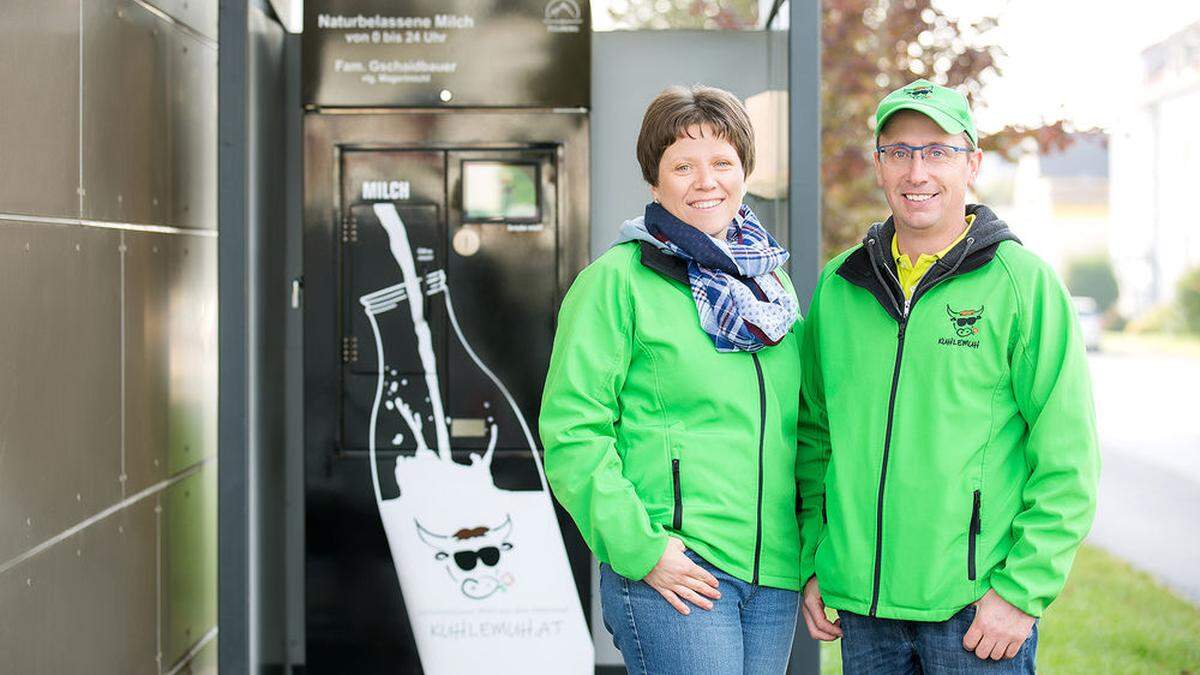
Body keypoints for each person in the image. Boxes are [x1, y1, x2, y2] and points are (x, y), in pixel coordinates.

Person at [795, 79, 1100, 673]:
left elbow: (1068, 456)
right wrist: (816, 559)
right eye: (900, 152)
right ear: (879, 166)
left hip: (975, 614)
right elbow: (812, 437)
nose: (918, 172)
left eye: (938, 151)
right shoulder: (840, 287)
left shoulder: (1022, 284)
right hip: (862, 609)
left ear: (973, 163)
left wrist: (1021, 592)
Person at [539, 85, 804, 674]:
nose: (705, 181)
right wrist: (642, 548)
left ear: (745, 172)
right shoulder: (616, 282)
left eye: (722, 162)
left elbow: (799, 425)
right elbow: (572, 429)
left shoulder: (773, 288)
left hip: (774, 573)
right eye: (682, 165)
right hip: (678, 568)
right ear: (654, 182)